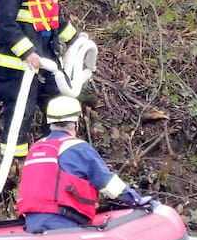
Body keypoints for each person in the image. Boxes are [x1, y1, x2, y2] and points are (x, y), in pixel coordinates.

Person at [0, 0, 78, 158]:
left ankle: (53, 156)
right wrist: (27, 52)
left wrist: (77, 41)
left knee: (58, 107)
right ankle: (14, 164)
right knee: (21, 113)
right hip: (18, 65)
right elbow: (5, 22)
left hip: (47, 62)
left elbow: (55, 19)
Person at [16, 96, 150, 232]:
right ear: (76, 123)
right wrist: (136, 200)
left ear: (50, 123)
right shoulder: (78, 148)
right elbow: (108, 183)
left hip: (30, 223)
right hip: (61, 223)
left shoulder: (36, 148)